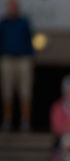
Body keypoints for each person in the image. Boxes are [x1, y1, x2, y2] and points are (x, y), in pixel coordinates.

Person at [0, 0, 34, 132]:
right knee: (6, 91)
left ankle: (25, 121)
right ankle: (7, 120)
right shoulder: (3, 23)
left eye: (15, 6)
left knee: (25, 91)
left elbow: (30, 40)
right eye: (10, 6)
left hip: (23, 59)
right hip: (7, 59)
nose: (13, 9)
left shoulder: (24, 22)